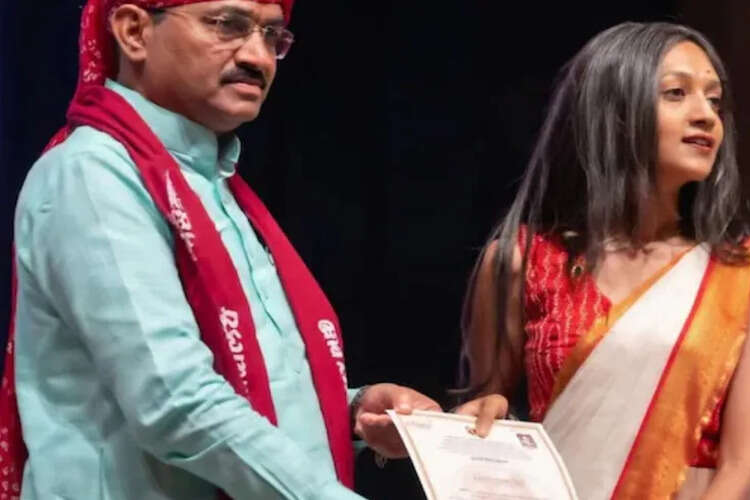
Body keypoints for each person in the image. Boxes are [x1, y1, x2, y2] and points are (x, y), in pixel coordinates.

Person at [2, 1, 442, 498]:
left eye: (273, 35)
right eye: (228, 25)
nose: (258, 56)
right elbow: (175, 403)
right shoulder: (94, 174)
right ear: (133, 32)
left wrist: (350, 411)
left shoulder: (214, 185)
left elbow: (248, 383)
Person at [455, 22, 750, 499]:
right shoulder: (522, 260)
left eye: (714, 101)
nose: (706, 116)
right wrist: (483, 416)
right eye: (677, 93)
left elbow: (743, 464)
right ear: (612, 113)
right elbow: (485, 407)